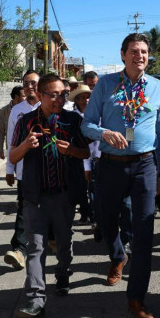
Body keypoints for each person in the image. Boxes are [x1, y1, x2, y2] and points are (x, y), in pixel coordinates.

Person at [81, 33, 160, 318]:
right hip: (110, 165)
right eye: (134, 51)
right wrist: (104, 132)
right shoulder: (106, 85)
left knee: (144, 232)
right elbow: (87, 124)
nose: (140, 56)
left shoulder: (157, 87)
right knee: (106, 221)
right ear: (123, 54)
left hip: (144, 165)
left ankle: (137, 298)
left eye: (144, 52)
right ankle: (117, 255)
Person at [9, 74, 90, 317]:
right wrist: (26, 146)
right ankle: (36, 297)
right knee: (36, 247)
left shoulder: (73, 119)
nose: (59, 99)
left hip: (64, 195)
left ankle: (63, 273)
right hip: (35, 196)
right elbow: (13, 156)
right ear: (41, 95)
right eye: (53, 94)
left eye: (63, 94)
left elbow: (86, 153)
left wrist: (72, 150)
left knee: (63, 244)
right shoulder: (25, 121)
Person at [4, 70, 42, 270]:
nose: (29, 87)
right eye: (26, 84)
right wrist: (10, 169)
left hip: (48, 169)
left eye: (33, 83)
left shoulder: (50, 105)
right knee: (24, 209)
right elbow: (11, 139)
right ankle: (19, 249)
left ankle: (51, 238)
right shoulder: (16, 110)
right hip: (24, 168)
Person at [69, 84, 94, 224]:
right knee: (81, 190)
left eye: (88, 97)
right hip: (80, 159)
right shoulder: (73, 117)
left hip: (98, 158)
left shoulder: (97, 114)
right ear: (77, 100)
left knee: (95, 191)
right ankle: (85, 213)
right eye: (82, 98)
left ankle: (94, 216)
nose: (86, 100)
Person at [0, 86, 24, 159]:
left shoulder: (27, 109)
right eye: (24, 96)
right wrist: (0, 149)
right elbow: (1, 131)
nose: (26, 98)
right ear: (16, 97)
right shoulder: (3, 111)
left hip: (25, 148)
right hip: (12, 149)